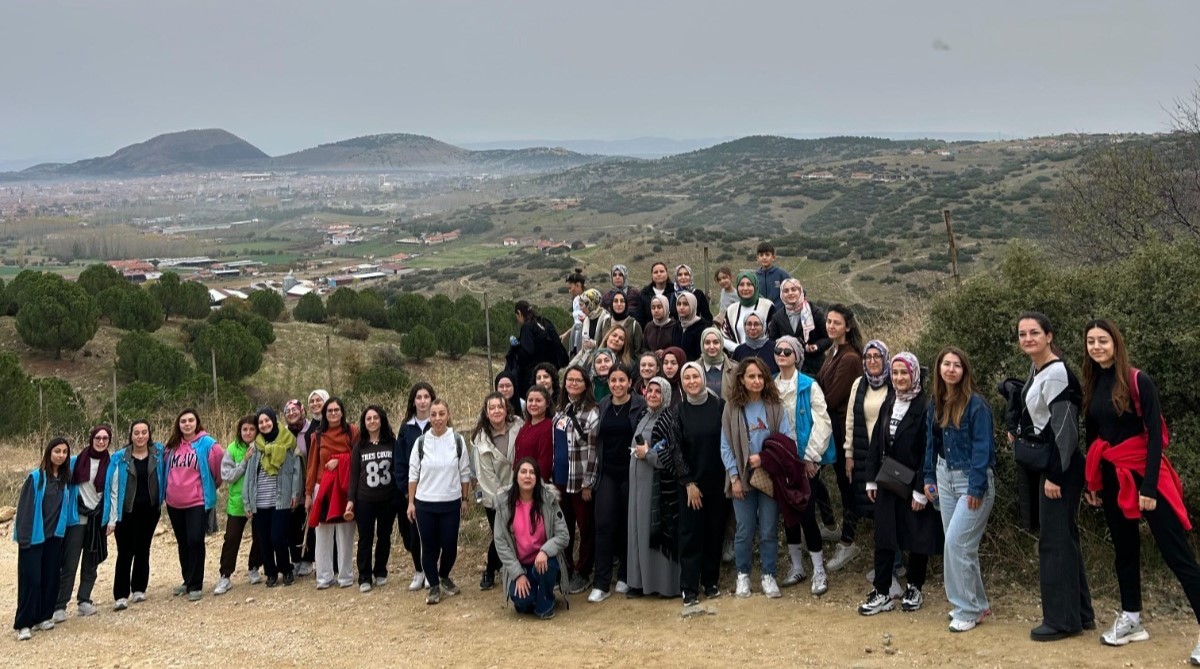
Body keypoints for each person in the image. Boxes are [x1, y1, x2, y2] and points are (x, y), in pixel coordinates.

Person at [1082, 320, 1200, 662]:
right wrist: (1093, 483)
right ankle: (1132, 619)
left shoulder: (1137, 380)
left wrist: (1148, 486)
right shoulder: (1093, 382)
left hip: (1144, 475)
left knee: (1177, 554)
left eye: (1103, 340)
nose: (1096, 346)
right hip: (1112, 477)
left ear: (1116, 343)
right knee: (1125, 549)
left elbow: (1154, 437)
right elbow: (1093, 436)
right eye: (1091, 341)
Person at [1012, 313, 1094, 640]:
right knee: (1065, 539)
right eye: (1022, 334)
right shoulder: (1039, 369)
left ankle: (1061, 621)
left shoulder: (1057, 372)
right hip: (1056, 465)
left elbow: (1066, 429)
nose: (1028, 339)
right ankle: (1081, 614)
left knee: (1054, 543)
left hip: (1061, 468)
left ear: (1049, 336)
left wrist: (1056, 476)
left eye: (1034, 333)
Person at [859, 352, 943, 616]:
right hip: (888, 480)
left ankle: (915, 587)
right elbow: (877, 442)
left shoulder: (926, 407)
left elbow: (929, 449)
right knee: (884, 536)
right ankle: (881, 591)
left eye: (904, 372)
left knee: (917, 537)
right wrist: (871, 479)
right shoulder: (889, 401)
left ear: (914, 374)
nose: (899, 378)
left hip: (914, 482)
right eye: (895, 373)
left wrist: (920, 489)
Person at [922, 347, 996, 633]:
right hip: (944, 476)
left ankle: (966, 610)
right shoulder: (936, 401)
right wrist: (929, 476)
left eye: (957, 365)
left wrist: (976, 488)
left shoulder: (977, 405)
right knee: (963, 547)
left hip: (971, 480)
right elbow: (931, 443)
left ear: (964, 371)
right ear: (939, 368)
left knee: (956, 544)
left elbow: (983, 449)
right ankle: (978, 604)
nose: (951, 369)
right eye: (946, 364)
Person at [721, 357, 793, 599]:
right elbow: (725, 445)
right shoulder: (732, 408)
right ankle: (743, 575)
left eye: (761, 376)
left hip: (769, 477)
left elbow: (786, 442)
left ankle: (768, 575)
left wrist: (764, 458)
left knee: (769, 528)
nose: (756, 381)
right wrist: (734, 477)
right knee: (744, 529)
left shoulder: (775, 406)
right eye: (751, 376)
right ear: (741, 379)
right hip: (741, 477)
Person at [772, 336, 834, 593]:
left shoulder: (809, 385)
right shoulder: (770, 386)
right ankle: (796, 566)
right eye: (778, 350)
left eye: (788, 351)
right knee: (788, 514)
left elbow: (823, 422)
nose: (782, 354)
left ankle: (819, 569)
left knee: (807, 514)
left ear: (797, 356)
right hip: (781, 461)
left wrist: (811, 456)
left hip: (805, 459)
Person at [584, 364, 646, 602]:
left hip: (632, 472)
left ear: (630, 382)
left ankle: (626, 575)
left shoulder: (640, 405)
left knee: (629, 525)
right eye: (613, 381)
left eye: (622, 380)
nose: (617, 384)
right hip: (607, 473)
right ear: (608, 383)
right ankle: (601, 583)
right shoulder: (603, 406)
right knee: (603, 524)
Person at [671, 362, 730, 606]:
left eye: (695, 376)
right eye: (687, 378)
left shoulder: (719, 406)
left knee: (715, 533)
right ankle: (689, 587)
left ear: (703, 378)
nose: (692, 381)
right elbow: (676, 450)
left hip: (717, 481)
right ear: (682, 383)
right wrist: (688, 482)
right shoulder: (678, 411)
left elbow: (727, 441)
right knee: (690, 534)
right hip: (691, 485)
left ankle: (711, 581)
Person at [407, 399, 472, 605]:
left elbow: (464, 472)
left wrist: (465, 499)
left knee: (450, 546)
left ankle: (444, 575)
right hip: (425, 504)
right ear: (429, 417)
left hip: (451, 503)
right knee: (429, 547)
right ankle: (434, 585)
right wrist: (411, 503)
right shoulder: (421, 442)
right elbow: (413, 474)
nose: (437, 419)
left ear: (448, 415)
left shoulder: (457, 440)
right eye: (433, 414)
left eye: (441, 414)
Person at [836, 340, 893, 573]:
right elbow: (850, 419)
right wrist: (848, 453)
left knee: (889, 509)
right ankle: (888, 563)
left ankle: (893, 564)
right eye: (868, 357)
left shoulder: (895, 382)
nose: (872, 361)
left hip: (888, 457)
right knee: (871, 506)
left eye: (877, 356)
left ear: (886, 358)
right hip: (863, 454)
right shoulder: (859, 384)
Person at [816, 305, 866, 565]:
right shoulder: (833, 351)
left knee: (847, 485)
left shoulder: (850, 359)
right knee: (827, 478)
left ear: (847, 326)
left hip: (842, 429)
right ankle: (835, 528)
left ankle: (848, 541)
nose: (831, 326)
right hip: (832, 426)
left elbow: (831, 398)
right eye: (829, 321)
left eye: (836, 322)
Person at [493, 458, 571, 619]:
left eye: (532, 472)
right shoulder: (504, 504)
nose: (527, 476)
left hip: (544, 562)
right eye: (523, 472)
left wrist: (545, 551)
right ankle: (533, 594)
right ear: (516, 476)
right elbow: (500, 543)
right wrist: (517, 574)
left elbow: (563, 535)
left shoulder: (549, 500)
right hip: (520, 565)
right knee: (522, 601)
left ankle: (545, 604)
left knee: (546, 567)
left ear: (537, 478)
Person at [627, 377, 682, 598]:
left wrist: (648, 454)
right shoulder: (644, 415)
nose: (652, 395)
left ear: (666, 395)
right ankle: (639, 582)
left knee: (654, 534)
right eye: (649, 390)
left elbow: (672, 456)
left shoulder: (669, 419)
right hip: (637, 485)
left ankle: (663, 585)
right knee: (638, 532)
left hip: (655, 486)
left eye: (658, 391)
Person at [14, 437, 73, 641]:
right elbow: (24, 510)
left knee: (51, 577)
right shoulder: (36, 478)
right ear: (49, 453)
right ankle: (24, 623)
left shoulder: (64, 480)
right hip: (33, 537)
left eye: (64, 452)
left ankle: (44, 616)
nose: (61, 455)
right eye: (57, 451)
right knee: (31, 580)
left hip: (54, 537)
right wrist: (24, 539)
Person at [163, 409, 225, 602]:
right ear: (178, 424)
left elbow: (219, 469)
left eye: (191, 420)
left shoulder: (208, 444)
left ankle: (196, 584)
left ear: (197, 422)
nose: (187, 424)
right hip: (174, 503)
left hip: (197, 502)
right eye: (183, 421)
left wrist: (210, 486)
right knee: (183, 542)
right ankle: (187, 580)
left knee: (195, 540)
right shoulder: (172, 446)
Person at [104, 420, 165, 610]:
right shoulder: (120, 458)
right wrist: (111, 518)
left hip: (150, 511)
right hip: (126, 512)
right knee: (125, 552)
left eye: (144, 432)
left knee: (143, 549)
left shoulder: (158, 453)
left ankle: (139, 588)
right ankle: (121, 595)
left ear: (149, 434)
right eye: (136, 432)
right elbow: (113, 488)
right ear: (131, 435)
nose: (140, 436)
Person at [55, 425, 111, 620]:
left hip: (98, 519)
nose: (101, 441)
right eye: (98, 438)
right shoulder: (75, 461)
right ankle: (59, 605)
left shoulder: (111, 463)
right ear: (91, 438)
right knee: (70, 562)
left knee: (91, 561)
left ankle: (84, 600)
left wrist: (111, 519)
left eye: (105, 438)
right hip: (77, 516)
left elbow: (113, 492)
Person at [553, 365, 600, 595]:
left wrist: (588, 483)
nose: (572, 384)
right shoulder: (560, 410)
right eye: (569, 380)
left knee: (585, 526)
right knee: (564, 527)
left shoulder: (592, 413)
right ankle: (567, 569)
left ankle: (583, 570)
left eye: (577, 380)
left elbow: (593, 451)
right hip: (560, 479)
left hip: (580, 480)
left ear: (585, 384)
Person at [243, 407, 302, 589]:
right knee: (264, 540)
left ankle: (286, 569)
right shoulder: (255, 447)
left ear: (274, 421)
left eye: (267, 420)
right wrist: (247, 502)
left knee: (278, 538)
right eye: (260, 422)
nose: (264, 424)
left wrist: (295, 493)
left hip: (280, 499)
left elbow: (296, 470)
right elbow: (249, 476)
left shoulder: (288, 442)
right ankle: (270, 573)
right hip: (259, 501)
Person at [471, 392, 523, 591]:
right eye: (491, 408)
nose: (496, 411)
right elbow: (486, 477)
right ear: (486, 412)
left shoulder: (518, 426)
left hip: (521, 491)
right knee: (501, 535)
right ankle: (490, 569)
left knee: (518, 532)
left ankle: (514, 569)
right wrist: (503, 500)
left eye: (500, 407)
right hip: (495, 497)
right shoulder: (481, 440)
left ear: (506, 408)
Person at [305, 397, 358, 590]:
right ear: (325, 414)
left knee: (345, 534)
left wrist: (340, 460)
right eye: (330, 411)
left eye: (337, 410)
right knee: (322, 535)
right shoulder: (318, 436)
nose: (333, 413)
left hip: (344, 487)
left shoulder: (352, 432)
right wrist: (308, 494)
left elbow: (358, 456)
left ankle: (345, 576)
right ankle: (324, 577)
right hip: (323, 488)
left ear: (342, 412)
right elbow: (312, 466)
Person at [346, 405, 397, 593]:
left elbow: (397, 469)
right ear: (364, 422)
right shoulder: (359, 446)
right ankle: (364, 576)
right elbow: (354, 475)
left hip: (387, 499)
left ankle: (381, 570)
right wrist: (351, 499)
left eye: (376, 417)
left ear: (381, 420)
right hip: (365, 500)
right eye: (368, 418)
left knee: (384, 536)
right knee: (365, 538)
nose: (372, 421)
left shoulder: (391, 442)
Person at [214, 416, 263, 595]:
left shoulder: (262, 447)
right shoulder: (232, 449)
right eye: (245, 429)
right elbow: (227, 476)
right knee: (231, 538)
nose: (248, 433)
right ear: (239, 431)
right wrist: (244, 462)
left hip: (259, 500)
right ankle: (225, 575)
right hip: (237, 502)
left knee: (260, 536)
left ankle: (254, 567)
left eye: (252, 429)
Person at [395, 382, 435, 591]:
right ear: (413, 402)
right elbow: (400, 460)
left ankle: (431, 570)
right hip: (412, 492)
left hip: (434, 490)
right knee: (413, 534)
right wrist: (405, 489)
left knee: (432, 534)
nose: (422, 401)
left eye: (426, 397)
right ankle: (418, 571)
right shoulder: (406, 428)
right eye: (418, 397)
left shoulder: (438, 424)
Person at [284, 395, 320, 577]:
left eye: (295, 410)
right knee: (291, 524)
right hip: (289, 486)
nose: (292, 413)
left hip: (307, 483)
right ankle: (296, 559)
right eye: (288, 411)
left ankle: (307, 559)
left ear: (302, 411)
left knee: (307, 522)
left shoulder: (311, 430)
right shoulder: (283, 433)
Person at [768, 279, 830, 377]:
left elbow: (827, 338)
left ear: (800, 291)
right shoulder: (777, 317)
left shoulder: (814, 312)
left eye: (794, 289)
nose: (790, 293)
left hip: (814, 368)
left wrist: (816, 346)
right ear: (782, 295)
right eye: (786, 291)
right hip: (788, 370)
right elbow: (772, 342)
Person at [508, 301, 567, 399]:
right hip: (551, 371)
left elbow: (527, 351)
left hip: (534, 375)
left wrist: (516, 347)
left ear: (519, 313)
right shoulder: (545, 322)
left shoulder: (527, 327)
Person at [721, 271, 775, 353]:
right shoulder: (731, 310)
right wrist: (740, 349)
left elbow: (773, 335)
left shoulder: (767, 306)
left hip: (763, 356)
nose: (745, 288)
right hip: (739, 357)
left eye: (749, 284)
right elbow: (724, 337)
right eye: (741, 285)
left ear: (755, 286)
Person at [514, 386, 554, 482]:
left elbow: (545, 463)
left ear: (547, 403)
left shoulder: (547, 427)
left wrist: (535, 484)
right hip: (521, 480)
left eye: (538, 401)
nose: (533, 404)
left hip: (533, 482)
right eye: (530, 400)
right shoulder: (527, 424)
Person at [568, 288, 609, 360]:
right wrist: (571, 365)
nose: (580, 308)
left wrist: (594, 344)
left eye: (582, 305)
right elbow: (583, 351)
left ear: (590, 305)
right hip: (587, 359)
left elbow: (607, 344)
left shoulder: (606, 319)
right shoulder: (587, 320)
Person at [699, 326, 738, 399]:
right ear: (702, 344)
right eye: (707, 343)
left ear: (721, 344)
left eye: (716, 342)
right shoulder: (695, 367)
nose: (711, 347)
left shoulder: (735, 368)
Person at [604, 291, 645, 356]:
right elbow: (600, 345)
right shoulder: (605, 322)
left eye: (622, 301)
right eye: (616, 301)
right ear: (611, 304)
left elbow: (638, 351)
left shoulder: (634, 325)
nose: (619, 304)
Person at [673, 291, 711, 362]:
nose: (681, 307)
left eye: (685, 304)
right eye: (679, 304)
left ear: (692, 305)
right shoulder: (677, 326)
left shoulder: (702, 327)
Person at [754, 241, 792, 311]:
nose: (764, 257)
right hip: (760, 313)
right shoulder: (755, 277)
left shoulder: (782, 274)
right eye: (761, 255)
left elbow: (797, 289)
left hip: (779, 313)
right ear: (757, 258)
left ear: (773, 257)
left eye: (767, 255)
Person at [637, 262, 676, 327]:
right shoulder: (644, 293)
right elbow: (640, 317)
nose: (659, 274)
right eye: (655, 272)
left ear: (667, 273)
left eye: (662, 271)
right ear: (652, 275)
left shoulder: (675, 292)